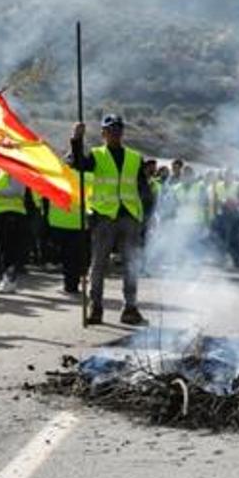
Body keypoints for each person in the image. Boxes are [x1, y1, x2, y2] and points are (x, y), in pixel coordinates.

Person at [68, 114, 151, 326]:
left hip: (129, 217)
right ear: (103, 133)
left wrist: (145, 216)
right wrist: (76, 139)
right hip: (104, 217)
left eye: (118, 130)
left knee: (131, 265)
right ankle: (96, 308)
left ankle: (130, 308)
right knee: (98, 265)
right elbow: (78, 164)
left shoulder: (134, 157)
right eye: (110, 130)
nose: (114, 134)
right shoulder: (96, 155)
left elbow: (144, 188)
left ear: (122, 133)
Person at [0, 166, 28, 294]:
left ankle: (10, 280)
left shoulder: (14, 168)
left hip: (11, 213)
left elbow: (17, 190)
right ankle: (7, 279)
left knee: (8, 249)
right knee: (2, 248)